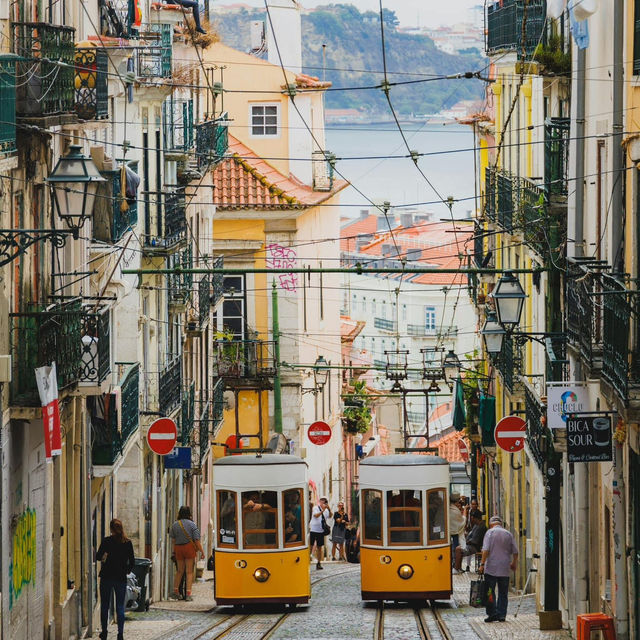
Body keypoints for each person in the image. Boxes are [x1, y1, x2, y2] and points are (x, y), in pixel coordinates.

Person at [96, 519, 135, 640]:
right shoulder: (127, 543)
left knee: (105, 606)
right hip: (120, 578)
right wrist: (127, 570)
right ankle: (120, 634)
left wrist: (105, 556)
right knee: (120, 607)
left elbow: (98, 557)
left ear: (111, 529)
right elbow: (132, 561)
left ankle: (104, 632)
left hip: (107, 576)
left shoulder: (107, 541)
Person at [478, 515, 519, 623]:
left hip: (491, 567)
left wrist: (482, 564)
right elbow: (515, 551)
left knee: (490, 592)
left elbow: (485, 550)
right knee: (503, 592)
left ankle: (492, 613)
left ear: (491, 524)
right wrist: (514, 563)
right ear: (501, 524)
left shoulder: (489, 533)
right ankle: (501, 615)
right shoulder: (508, 534)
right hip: (504, 568)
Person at [169, 506, 205, 601]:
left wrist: (174, 551)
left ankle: (176, 592)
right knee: (189, 572)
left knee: (179, 571)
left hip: (178, 548)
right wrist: (202, 551)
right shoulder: (192, 525)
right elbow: (196, 540)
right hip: (189, 548)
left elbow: (173, 540)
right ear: (189, 514)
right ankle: (188, 594)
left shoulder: (175, 525)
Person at [309, 497, 332, 570]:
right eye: (323, 502)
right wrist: (323, 510)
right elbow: (316, 515)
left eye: (325, 502)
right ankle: (306, 560)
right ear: (320, 502)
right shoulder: (315, 508)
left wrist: (329, 509)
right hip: (313, 529)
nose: (324, 503)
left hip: (321, 531)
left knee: (320, 547)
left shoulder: (326, 510)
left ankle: (319, 563)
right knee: (311, 545)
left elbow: (330, 516)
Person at [449, 493, 466, 560]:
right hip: (454, 535)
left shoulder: (446, 508)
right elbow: (462, 522)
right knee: (455, 551)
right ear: (457, 501)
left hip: (447, 535)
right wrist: (465, 512)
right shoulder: (455, 511)